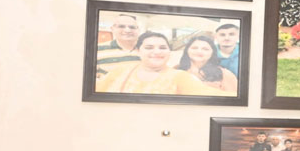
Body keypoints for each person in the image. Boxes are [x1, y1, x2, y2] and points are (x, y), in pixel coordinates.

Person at [95, 31, 223, 95]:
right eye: (149, 47)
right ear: (138, 51)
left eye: (162, 48)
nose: (156, 52)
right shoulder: (120, 72)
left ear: (169, 51)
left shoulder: (180, 76)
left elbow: (213, 95)